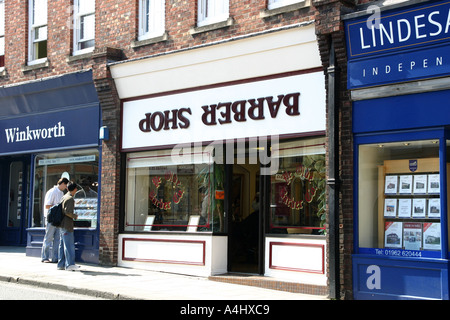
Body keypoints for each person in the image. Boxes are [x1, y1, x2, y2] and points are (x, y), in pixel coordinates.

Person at [41, 177, 69, 263]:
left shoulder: (61, 193)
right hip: (51, 218)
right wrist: (57, 206)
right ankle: (45, 257)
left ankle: (55, 258)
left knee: (57, 239)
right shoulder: (52, 191)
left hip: (58, 219)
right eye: (66, 185)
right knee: (48, 238)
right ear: (63, 184)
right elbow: (47, 205)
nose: (66, 187)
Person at [57, 181, 80, 271]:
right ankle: (70, 264)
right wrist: (75, 216)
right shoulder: (70, 199)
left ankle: (61, 264)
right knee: (69, 246)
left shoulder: (64, 197)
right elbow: (67, 212)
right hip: (67, 225)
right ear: (75, 189)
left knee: (62, 245)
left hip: (61, 224)